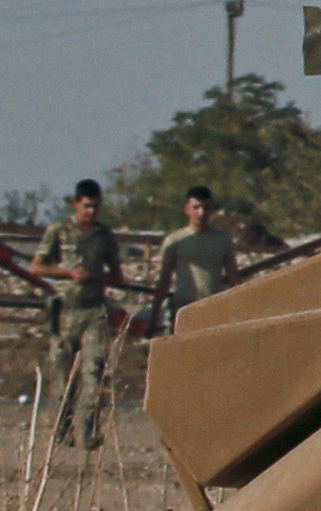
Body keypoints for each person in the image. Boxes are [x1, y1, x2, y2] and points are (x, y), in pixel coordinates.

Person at [30, 180, 129, 452]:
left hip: (94, 311)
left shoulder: (104, 235)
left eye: (96, 206)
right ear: (76, 204)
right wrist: (68, 273)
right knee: (62, 376)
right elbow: (37, 267)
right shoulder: (58, 231)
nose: (91, 212)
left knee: (94, 372)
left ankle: (88, 433)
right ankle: (61, 433)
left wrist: (95, 277)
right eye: (86, 206)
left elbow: (118, 276)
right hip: (65, 312)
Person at [149, 185, 240, 331]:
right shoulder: (175, 240)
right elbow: (164, 280)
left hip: (215, 308)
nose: (201, 213)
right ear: (187, 209)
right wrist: (153, 317)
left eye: (206, 208)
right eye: (196, 207)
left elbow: (234, 278)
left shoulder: (222, 240)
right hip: (184, 308)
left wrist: (238, 311)